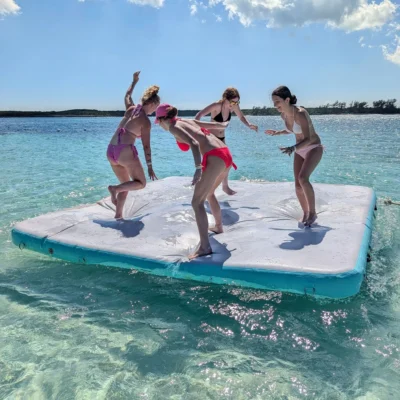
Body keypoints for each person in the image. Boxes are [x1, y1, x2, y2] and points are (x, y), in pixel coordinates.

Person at [155, 103, 236, 259]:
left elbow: (194, 143)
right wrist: (222, 124)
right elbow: (209, 125)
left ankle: (205, 247)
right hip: (225, 153)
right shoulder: (185, 121)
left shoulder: (173, 127)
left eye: (158, 122)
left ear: (163, 119)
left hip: (215, 157)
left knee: (196, 202)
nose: (159, 126)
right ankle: (219, 227)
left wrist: (198, 168)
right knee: (209, 193)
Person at [266, 86, 323, 227]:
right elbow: (291, 130)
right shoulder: (283, 115)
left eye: (277, 102)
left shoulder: (301, 113)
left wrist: (293, 148)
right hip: (299, 149)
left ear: (287, 99)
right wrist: (277, 133)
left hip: (313, 147)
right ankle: (305, 212)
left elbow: (309, 138)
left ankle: (313, 213)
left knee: (303, 178)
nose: (275, 105)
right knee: (297, 186)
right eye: (273, 102)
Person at [107, 72, 159, 219]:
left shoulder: (131, 109)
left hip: (111, 150)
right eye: (156, 107)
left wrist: (134, 82)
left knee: (126, 184)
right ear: (152, 104)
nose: (155, 111)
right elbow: (146, 147)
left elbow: (127, 95)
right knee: (141, 183)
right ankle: (114, 189)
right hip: (124, 151)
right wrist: (149, 166)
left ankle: (118, 216)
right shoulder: (145, 121)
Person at [195, 87, 258, 195]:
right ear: (225, 98)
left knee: (228, 162)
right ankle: (201, 187)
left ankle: (225, 186)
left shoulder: (233, 106)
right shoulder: (216, 106)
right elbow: (199, 115)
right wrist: (198, 131)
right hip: (210, 139)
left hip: (222, 139)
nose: (235, 104)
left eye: (237, 102)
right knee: (208, 165)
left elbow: (241, 117)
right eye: (233, 101)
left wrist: (249, 125)